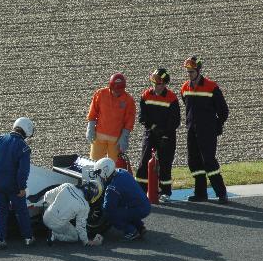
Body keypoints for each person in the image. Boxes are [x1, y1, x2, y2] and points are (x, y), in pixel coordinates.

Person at [180, 56, 229, 204]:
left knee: (209, 162)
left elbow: (223, 111)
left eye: (192, 71)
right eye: (187, 72)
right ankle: (201, 193)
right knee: (193, 161)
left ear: (199, 70)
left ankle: (221, 193)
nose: (189, 74)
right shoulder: (184, 88)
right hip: (191, 130)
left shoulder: (211, 87)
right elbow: (187, 106)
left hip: (207, 132)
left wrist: (215, 126)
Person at [0, 117, 35, 249]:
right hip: (14, 186)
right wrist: (22, 187)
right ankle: (28, 238)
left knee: (0, 211)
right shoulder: (24, 147)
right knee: (21, 211)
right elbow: (23, 171)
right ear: (26, 131)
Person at [135, 68, 181, 202]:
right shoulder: (146, 95)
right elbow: (142, 117)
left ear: (165, 83)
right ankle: (140, 191)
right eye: (153, 81)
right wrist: (153, 128)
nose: (155, 85)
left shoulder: (172, 98)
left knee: (165, 164)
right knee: (144, 162)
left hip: (167, 136)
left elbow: (175, 120)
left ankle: (165, 192)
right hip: (150, 134)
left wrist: (165, 134)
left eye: (158, 82)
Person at [94, 157, 151, 240]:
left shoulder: (112, 187)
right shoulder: (122, 172)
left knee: (110, 213)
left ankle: (131, 232)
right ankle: (140, 227)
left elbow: (108, 207)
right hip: (145, 204)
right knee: (123, 206)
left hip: (139, 208)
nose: (99, 175)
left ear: (106, 170)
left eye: (99, 172)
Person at [86, 73, 136, 162]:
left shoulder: (128, 100)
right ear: (111, 86)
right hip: (99, 137)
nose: (117, 92)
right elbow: (93, 112)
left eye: (120, 90)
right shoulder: (101, 94)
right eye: (116, 90)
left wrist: (124, 137)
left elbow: (129, 120)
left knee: (114, 167)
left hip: (116, 140)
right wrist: (90, 128)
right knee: (94, 163)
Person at [42, 179, 105, 247]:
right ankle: (54, 235)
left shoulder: (67, 185)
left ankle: (51, 229)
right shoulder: (85, 206)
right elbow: (80, 227)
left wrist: (55, 206)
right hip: (56, 225)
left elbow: (47, 196)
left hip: (46, 216)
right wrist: (85, 241)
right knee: (74, 237)